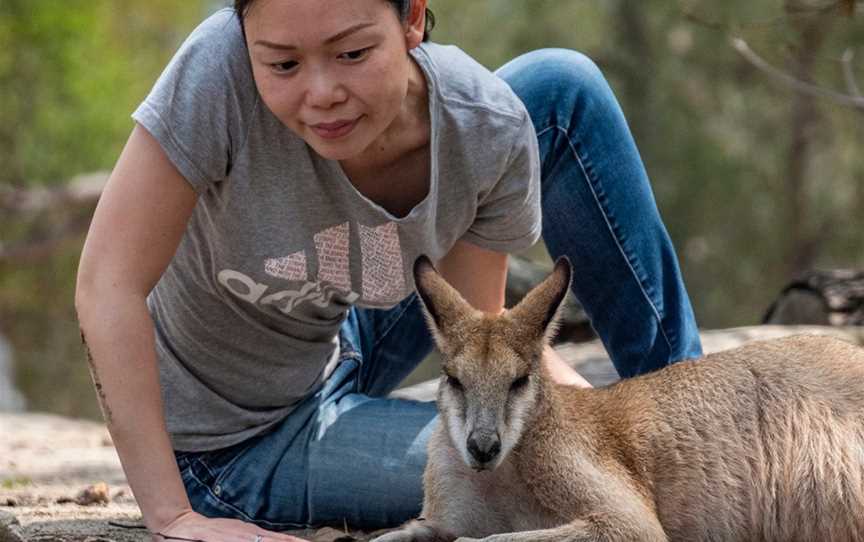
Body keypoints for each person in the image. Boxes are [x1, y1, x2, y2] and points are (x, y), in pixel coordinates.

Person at [74, 0, 703, 541]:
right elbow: (107, 284)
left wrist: (596, 421)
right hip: (238, 444)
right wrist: (172, 515)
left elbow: (483, 336)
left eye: (351, 53)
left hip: (341, 334)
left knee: (561, 88)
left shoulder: (482, 127)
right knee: (516, 474)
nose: (321, 93)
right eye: (284, 64)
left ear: (413, 19)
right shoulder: (217, 74)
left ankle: (697, 427)